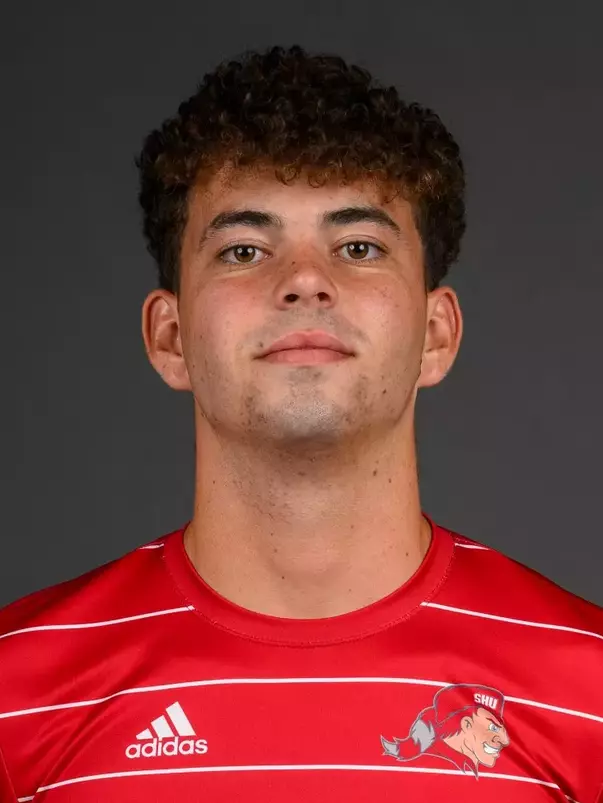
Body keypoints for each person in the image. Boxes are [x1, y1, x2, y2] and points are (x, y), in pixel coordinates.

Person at [0, 45, 601, 803]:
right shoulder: (14, 691)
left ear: (436, 334)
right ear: (170, 337)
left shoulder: (588, 687)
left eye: (359, 246)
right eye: (244, 249)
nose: (306, 281)